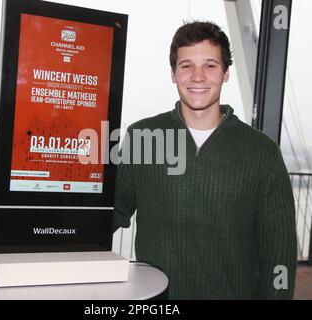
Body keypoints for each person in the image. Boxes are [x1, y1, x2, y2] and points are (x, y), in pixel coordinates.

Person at [113, 21, 297, 299]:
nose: (197, 76)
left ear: (225, 74)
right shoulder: (141, 137)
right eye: (186, 65)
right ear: (173, 74)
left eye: (210, 65)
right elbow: (110, 212)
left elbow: (279, 253)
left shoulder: (263, 152)